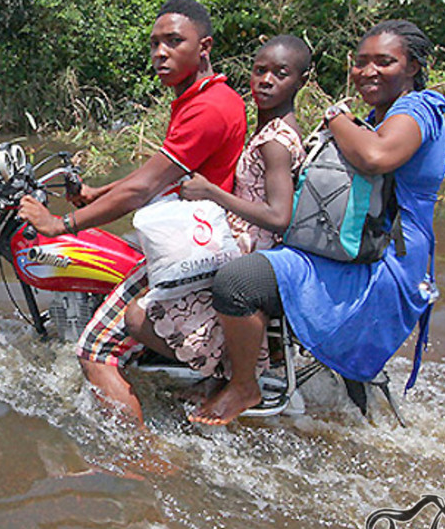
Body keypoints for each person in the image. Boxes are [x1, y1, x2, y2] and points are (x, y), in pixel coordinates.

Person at [193, 19, 445, 426]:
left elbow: (376, 158)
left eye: (384, 62)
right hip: (359, 248)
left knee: (237, 281)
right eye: (361, 62)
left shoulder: (419, 108)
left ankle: (244, 384)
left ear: (413, 67)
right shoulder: (377, 114)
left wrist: (335, 117)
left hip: (387, 264)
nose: (368, 72)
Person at [18, 0, 246, 424]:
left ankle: (138, 464)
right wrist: (99, 191)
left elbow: (144, 188)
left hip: (198, 245)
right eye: (155, 43)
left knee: (93, 350)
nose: (161, 53)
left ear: (204, 46)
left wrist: (58, 224)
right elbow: (161, 173)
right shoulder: (203, 97)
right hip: (195, 231)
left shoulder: (207, 108)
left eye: (174, 41)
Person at [123, 35, 310, 394]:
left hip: (249, 252)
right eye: (260, 71)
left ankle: (221, 372)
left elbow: (278, 215)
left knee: (137, 316)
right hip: (238, 242)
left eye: (280, 73)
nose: (266, 80)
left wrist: (212, 192)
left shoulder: (275, 140)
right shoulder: (267, 129)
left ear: (301, 81)